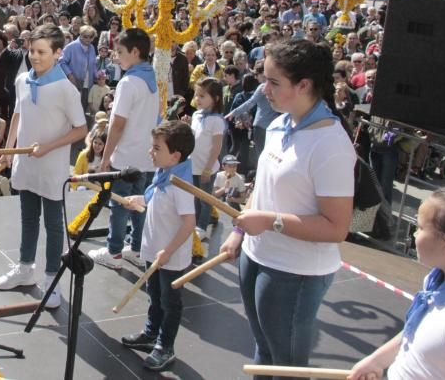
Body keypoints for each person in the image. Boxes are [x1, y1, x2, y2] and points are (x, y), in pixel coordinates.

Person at [219, 39, 355, 380]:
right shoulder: (280, 123)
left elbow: (336, 227)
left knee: (287, 365)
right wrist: (239, 232)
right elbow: (262, 188)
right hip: (257, 254)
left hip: (295, 271)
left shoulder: (330, 144)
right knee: (264, 350)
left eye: (274, 82)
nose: (265, 89)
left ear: (304, 85)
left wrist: (267, 221)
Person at [0, 25, 87, 309]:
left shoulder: (66, 89)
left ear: (58, 53)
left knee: (54, 225)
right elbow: (17, 115)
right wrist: (8, 150)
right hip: (26, 163)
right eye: (32, 50)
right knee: (28, 217)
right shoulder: (22, 80)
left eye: (42, 52)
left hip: (52, 166)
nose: (35, 56)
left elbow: (81, 129)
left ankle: (51, 279)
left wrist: (49, 146)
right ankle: (24, 268)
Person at [349, 185, 445, 380]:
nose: (414, 234)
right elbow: (417, 330)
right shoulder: (439, 279)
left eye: (420, 228)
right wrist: (378, 360)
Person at [118, 120, 196, 372]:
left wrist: (169, 251)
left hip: (170, 256)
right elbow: (154, 202)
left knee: (170, 302)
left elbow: (188, 224)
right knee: (155, 296)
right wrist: (138, 200)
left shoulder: (181, 186)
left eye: (156, 148)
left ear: (175, 156)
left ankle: (165, 345)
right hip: (154, 251)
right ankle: (151, 334)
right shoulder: (164, 176)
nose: (150, 152)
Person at [90, 27, 159, 270]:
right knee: (139, 204)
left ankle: (114, 252)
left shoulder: (129, 82)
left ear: (135, 51)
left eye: (120, 52)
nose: (116, 57)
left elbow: (117, 125)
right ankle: (136, 248)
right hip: (146, 156)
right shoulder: (151, 78)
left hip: (126, 156)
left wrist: (105, 157)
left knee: (119, 205)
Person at [188, 77, 226, 244]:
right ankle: (194, 223)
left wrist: (208, 169)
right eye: (197, 95)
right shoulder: (196, 115)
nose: (198, 99)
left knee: (205, 198)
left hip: (206, 167)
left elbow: (216, 147)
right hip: (193, 165)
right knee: (194, 197)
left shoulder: (216, 120)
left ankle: (202, 226)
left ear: (215, 98)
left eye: (202, 96)